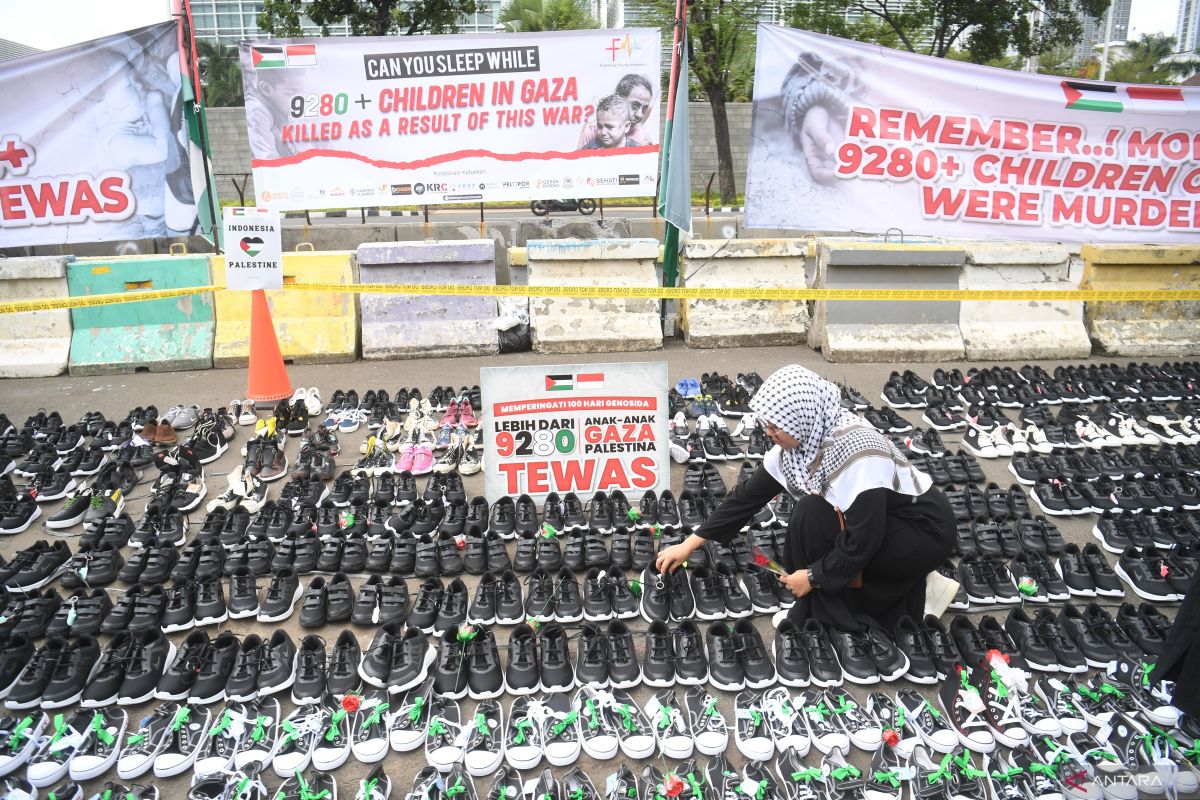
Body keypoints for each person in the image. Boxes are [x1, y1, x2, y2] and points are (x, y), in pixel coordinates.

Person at [655, 364, 956, 631]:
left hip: (923, 530)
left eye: (776, 426)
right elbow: (746, 499)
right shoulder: (803, 441)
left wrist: (812, 577)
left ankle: (892, 597)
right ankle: (911, 585)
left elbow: (864, 538)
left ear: (801, 417)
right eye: (766, 424)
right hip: (886, 520)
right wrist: (689, 544)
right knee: (810, 516)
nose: (769, 433)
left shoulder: (857, 450)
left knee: (817, 521)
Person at [577, 73, 655, 148]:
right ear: (618, 97)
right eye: (634, 106)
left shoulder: (642, 140)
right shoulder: (592, 131)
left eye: (644, 109)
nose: (640, 115)